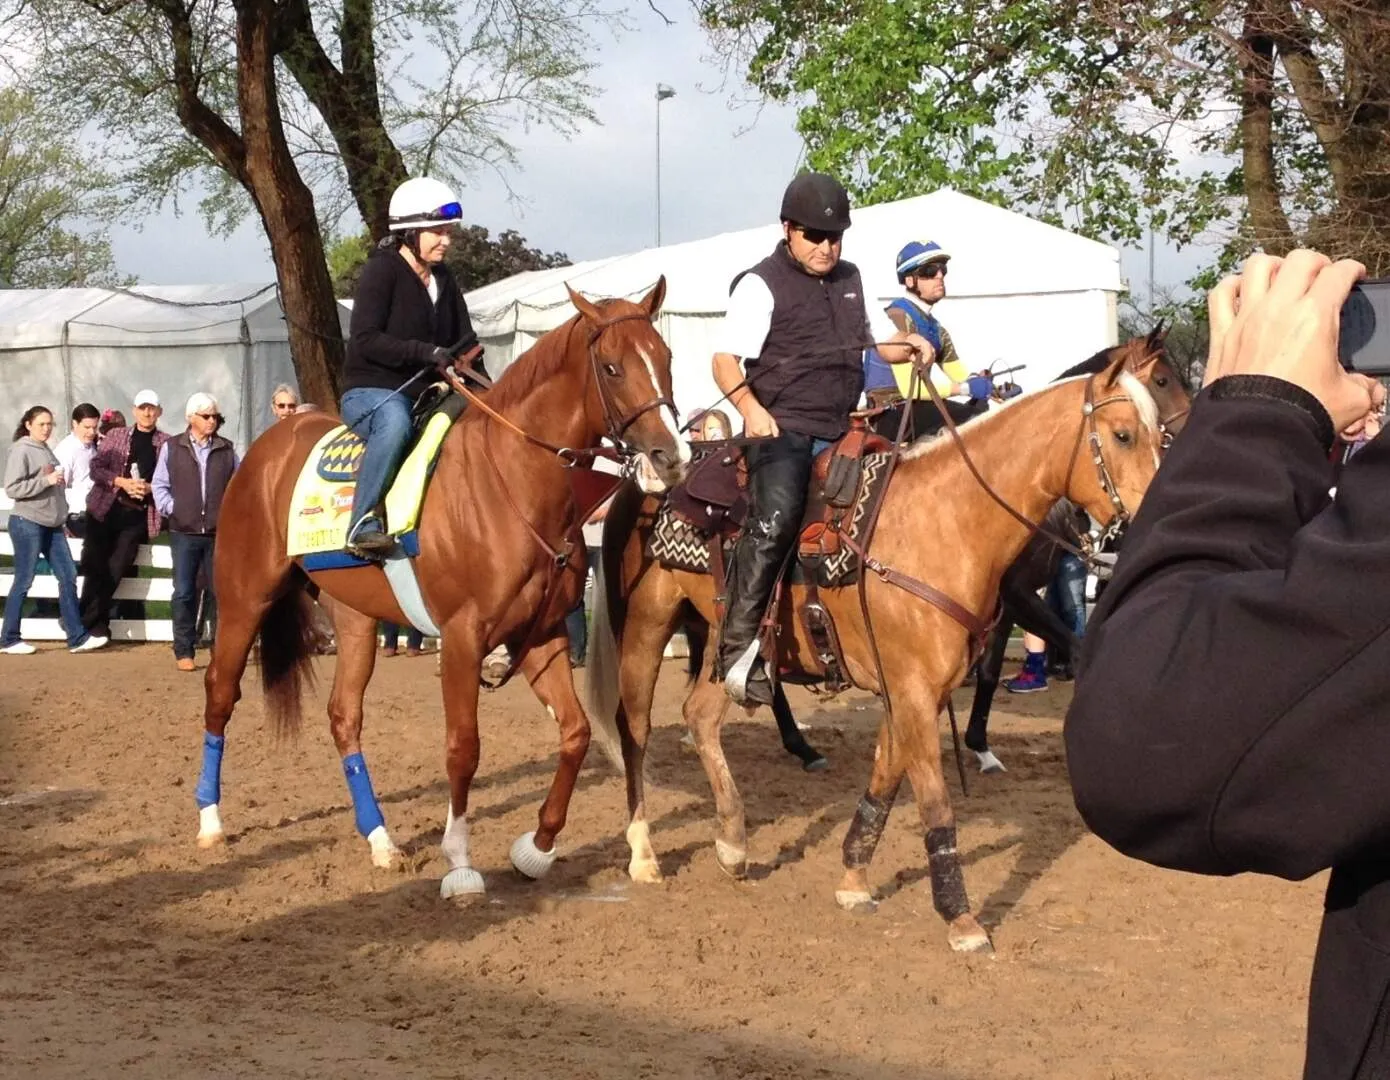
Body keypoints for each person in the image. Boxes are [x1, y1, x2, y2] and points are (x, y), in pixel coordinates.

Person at [1064, 250, 1390, 1080]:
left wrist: (1254, 412)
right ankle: (750, 634)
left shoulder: (898, 312)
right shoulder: (808, 296)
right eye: (814, 237)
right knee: (782, 491)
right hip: (806, 418)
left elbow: (1149, 734)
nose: (824, 246)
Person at [711, 172, 928, 706]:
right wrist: (749, 409)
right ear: (788, 230)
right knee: (777, 519)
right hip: (780, 428)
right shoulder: (761, 283)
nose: (827, 247)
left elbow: (881, 343)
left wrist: (913, 344)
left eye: (835, 237)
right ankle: (737, 650)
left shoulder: (852, 278)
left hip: (842, 429)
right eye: (815, 236)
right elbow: (723, 361)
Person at [340, 176, 482, 556]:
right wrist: (425, 352)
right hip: (372, 393)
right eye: (437, 232)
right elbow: (365, 339)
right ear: (409, 233)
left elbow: (466, 342)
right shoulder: (381, 271)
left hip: (428, 394)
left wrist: (491, 390)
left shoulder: (445, 279)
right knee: (396, 422)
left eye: (448, 232)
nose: (446, 241)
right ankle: (361, 523)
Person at [864, 241, 999, 441]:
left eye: (943, 270)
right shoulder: (896, 318)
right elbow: (910, 388)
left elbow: (960, 374)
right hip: (891, 413)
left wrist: (995, 389)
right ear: (909, 281)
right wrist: (966, 389)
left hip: (918, 408)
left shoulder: (937, 329)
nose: (940, 276)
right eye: (930, 271)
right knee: (978, 426)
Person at [2, 406, 107, 654]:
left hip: (52, 524)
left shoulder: (45, 449)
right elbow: (12, 488)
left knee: (68, 575)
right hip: (28, 522)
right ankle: (9, 638)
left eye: (49, 424)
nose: (47, 428)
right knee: (24, 580)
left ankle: (76, 636)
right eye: (41, 424)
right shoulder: (22, 449)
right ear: (28, 424)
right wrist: (46, 481)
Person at [152, 392, 239, 672]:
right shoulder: (172, 447)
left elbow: (238, 486)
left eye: (215, 416)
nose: (212, 420)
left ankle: (220, 647)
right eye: (206, 416)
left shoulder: (226, 449)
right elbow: (159, 484)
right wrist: (173, 508)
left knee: (219, 592)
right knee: (184, 591)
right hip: (184, 532)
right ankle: (184, 648)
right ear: (191, 418)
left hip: (217, 533)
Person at [80, 389, 169, 642]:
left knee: (117, 567)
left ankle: (84, 621)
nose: (147, 413)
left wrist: (149, 488)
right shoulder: (117, 435)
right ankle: (94, 624)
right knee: (95, 565)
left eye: (152, 408)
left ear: (159, 412)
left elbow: (170, 479)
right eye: (143, 408)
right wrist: (121, 481)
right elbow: (96, 467)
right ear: (134, 410)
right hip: (105, 510)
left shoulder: (166, 443)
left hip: (136, 514)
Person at [54, 402, 100, 537]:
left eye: (94, 427)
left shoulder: (91, 446)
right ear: (75, 424)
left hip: (93, 511)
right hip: (77, 516)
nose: (91, 432)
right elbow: (59, 488)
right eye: (87, 427)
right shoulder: (67, 450)